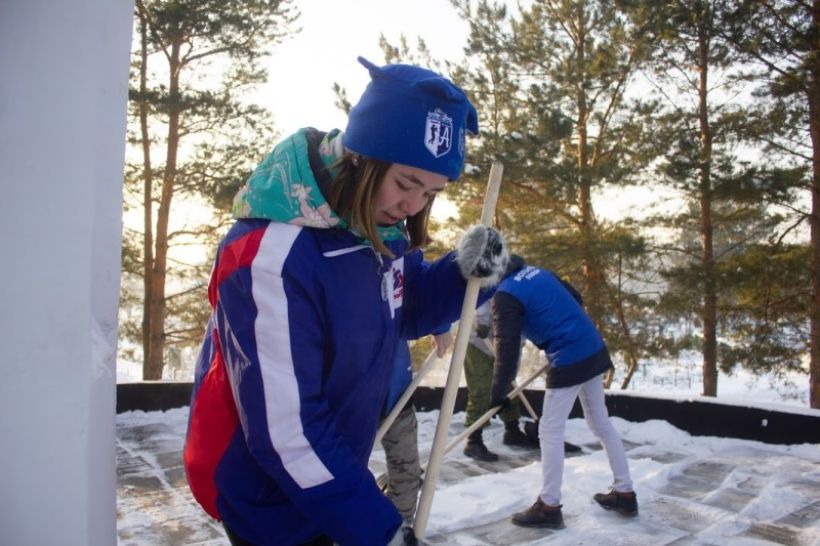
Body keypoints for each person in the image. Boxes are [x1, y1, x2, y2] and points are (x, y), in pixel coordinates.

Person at [182, 56, 509, 546]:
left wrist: (461, 272)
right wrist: (376, 529)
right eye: (405, 183)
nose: (413, 206)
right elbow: (286, 431)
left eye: (432, 192)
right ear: (361, 156)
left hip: (330, 477)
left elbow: (404, 308)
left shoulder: (374, 229)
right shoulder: (271, 255)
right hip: (272, 499)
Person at [489, 256, 637, 530]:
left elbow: (507, 347)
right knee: (600, 422)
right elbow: (575, 297)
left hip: (569, 357)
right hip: (592, 346)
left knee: (550, 430)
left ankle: (548, 506)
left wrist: (498, 390)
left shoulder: (505, 295)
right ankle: (625, 493)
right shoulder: (537, 271)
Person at [379, 331, 452, 546]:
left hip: (397, 397)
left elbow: (423, 301)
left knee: (407, 472)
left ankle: (399, 531)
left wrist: (441, 326)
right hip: (352, 402)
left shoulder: (396, 298)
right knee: (347, 475)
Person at [462, 301, 536, 462]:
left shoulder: (527, 298)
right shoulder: (502, 281)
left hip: (507, 343)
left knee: (509, 385)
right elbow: (481, 297)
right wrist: (481, 321)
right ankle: (473, 440)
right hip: (478, 342)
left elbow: (523, 328)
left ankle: (512, 430)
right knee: (481, 390)